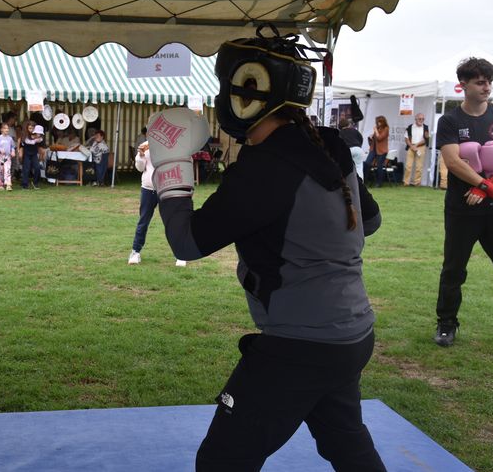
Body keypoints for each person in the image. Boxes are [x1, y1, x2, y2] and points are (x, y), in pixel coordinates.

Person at [150, 30, 385, 471]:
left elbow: (187, 242)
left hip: (301, 345)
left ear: (246, 95)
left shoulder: (263, 167)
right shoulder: (328, 143)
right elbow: (370, 222)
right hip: (351, 333)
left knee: (223, 460)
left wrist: (169, 168)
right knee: (346, 445)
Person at [433, 57, 493, 347]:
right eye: (480, 81)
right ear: (463, 85)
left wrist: (489, 188)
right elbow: (454, 161)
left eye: (489, 81)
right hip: (462, 209)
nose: (486, 87)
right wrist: (482, 185)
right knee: (454, 268)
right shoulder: (450, 120)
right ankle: (446, 324)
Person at [127, 140, 187, 267]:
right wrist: (141, 156)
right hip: (148, 189)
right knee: (143, 221)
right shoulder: (145, 145)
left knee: (171, 222)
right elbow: (140, 168)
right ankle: (135, 252)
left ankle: (180, 254)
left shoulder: (172, 144)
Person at [403, 112, 429, 186]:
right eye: (420, 118)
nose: (421, 120)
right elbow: (406, 138)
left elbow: (426, 139)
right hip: (411, 147)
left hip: (420, 147)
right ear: (416, 119)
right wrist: (411, 146)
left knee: (419, 167)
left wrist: (416, 145)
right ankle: (406, 182)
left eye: (423, 119)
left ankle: (417, 183)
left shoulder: (426, 127)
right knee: (408, 166)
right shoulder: (410, 127)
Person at [363, 115, 389, 187]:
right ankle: (365, 181)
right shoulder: (377, 129)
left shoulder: (386, 129)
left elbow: (380, 138)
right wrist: (371, 137)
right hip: (373, 149)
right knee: (367, 163)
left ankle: (379, 182)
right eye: (377, 122)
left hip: (382, 150)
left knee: (379, 166)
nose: (377, 123)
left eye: (379, 122)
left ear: (383, 122)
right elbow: (374, 140)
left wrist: (375, 131)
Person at [20, 122, 45, 189]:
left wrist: (37, 137)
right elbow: (29, 142)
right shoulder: (25, 136)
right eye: (29, 128)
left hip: (34, 154)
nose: (31, 130)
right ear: (27, 129)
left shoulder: (38, 136)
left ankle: (35, 183)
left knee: (37, 168)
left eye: (32, 128)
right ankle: (25, 185)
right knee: (26, 169)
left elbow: (41, 140)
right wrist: (35, 139)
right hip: (27, 154)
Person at [0, 122, 16, 191]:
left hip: (7, 157)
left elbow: (13, 146)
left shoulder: (10, 138)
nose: (7, 130)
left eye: (7, 128)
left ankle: (8, 185)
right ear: (1, 130)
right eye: (5, 128)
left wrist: (13, 151)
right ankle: (0, 185)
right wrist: (0, 150)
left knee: (7, 170)